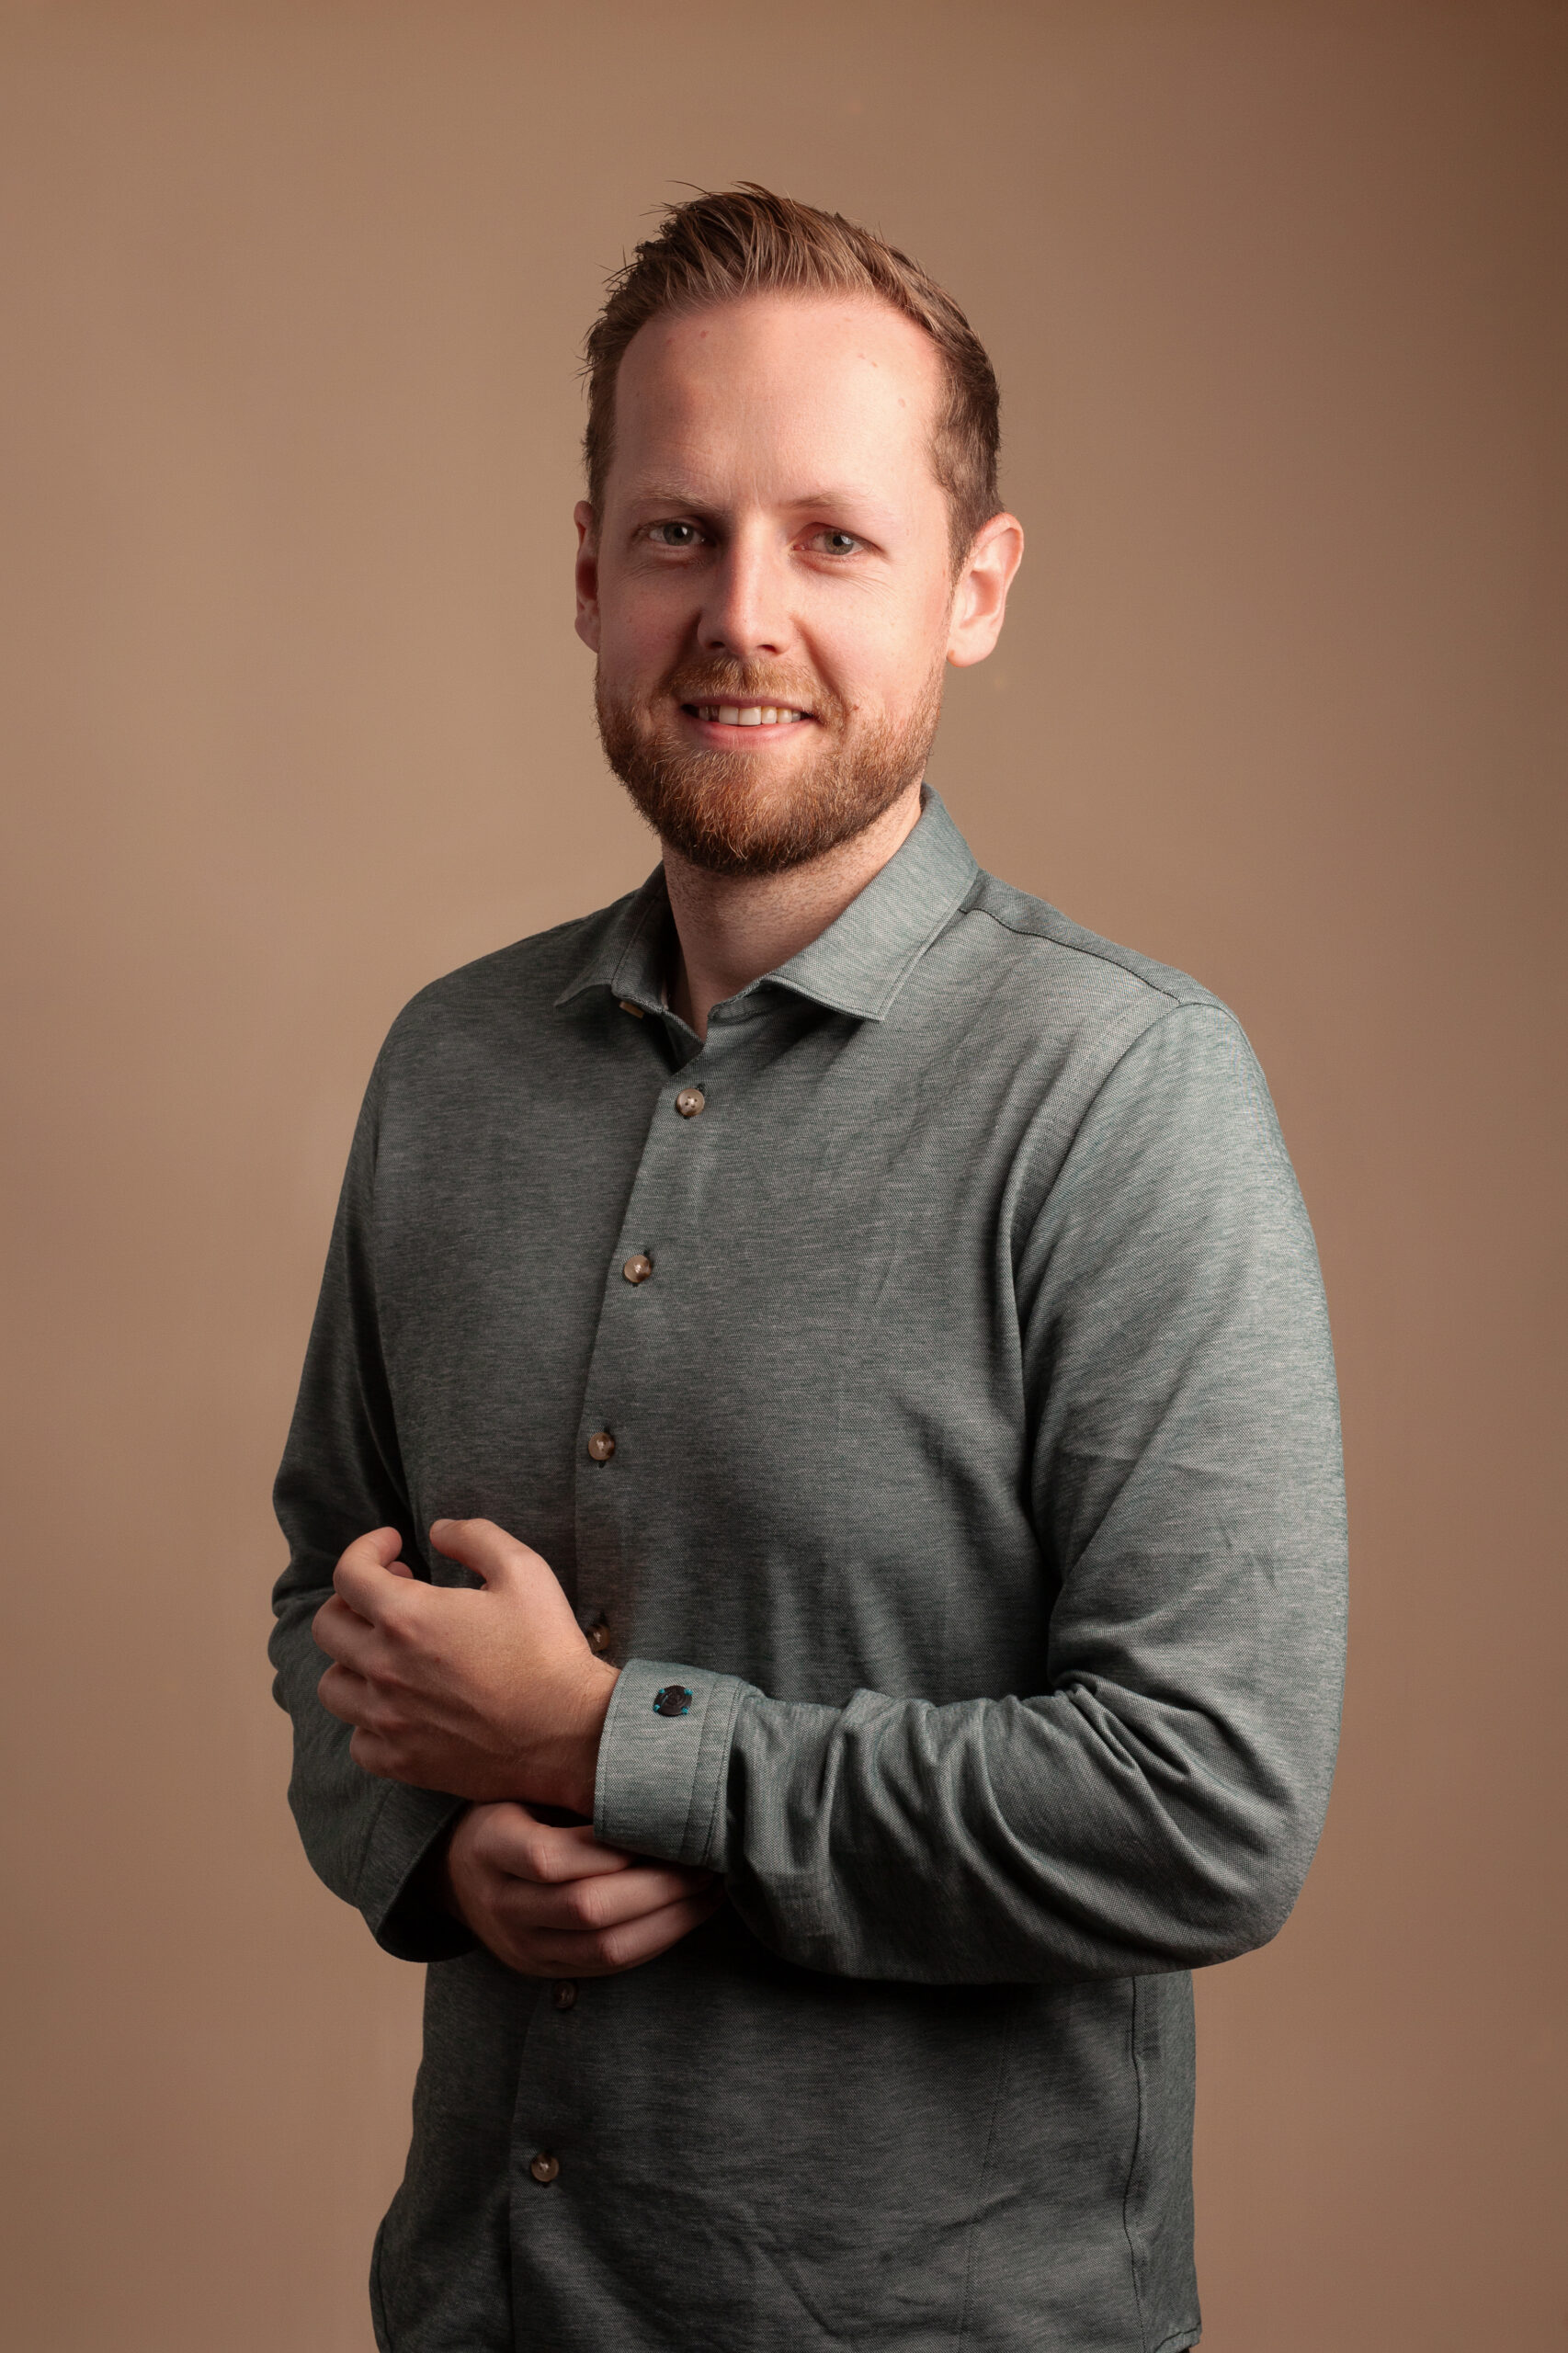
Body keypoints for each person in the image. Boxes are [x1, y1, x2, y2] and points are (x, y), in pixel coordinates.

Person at [271, 185, 1346, 2353]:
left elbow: (1207, 1806)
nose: (739, 614)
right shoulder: (448, 1066)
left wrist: (609, 1742)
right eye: (679, 533)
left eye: (832, 539)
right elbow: (333, 1606)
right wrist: (435, 1844)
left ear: (974, 587)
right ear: (590, 572)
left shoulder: (1125, 1092)